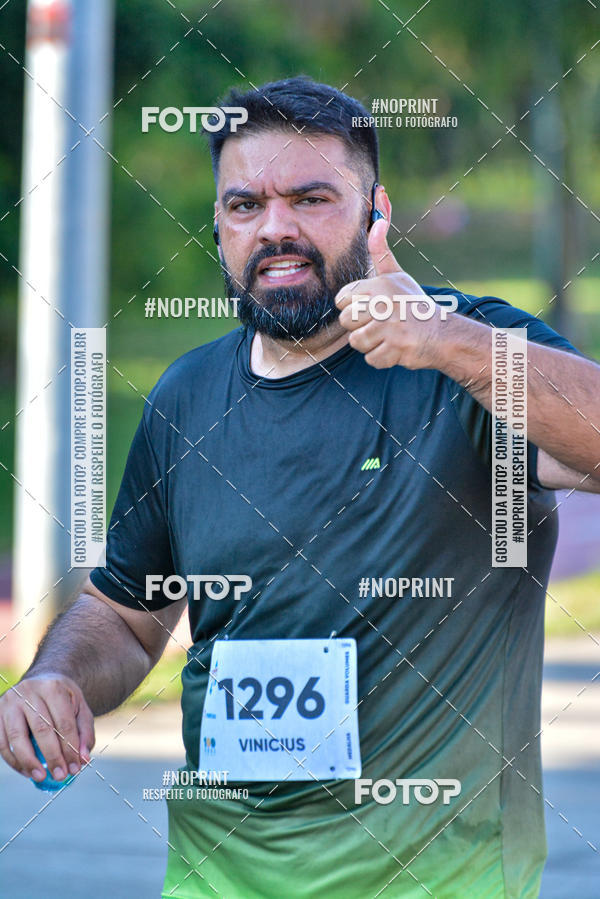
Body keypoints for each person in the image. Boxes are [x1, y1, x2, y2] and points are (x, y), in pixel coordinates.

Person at [1, 76, 599, 898]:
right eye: (244, 205)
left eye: (311, 197)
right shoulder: (186, 398)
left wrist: (451, 342)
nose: (275, 227)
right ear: (218, 225)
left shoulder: (468, 357)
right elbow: (128, 615)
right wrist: (55, 676)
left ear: (374, 211)